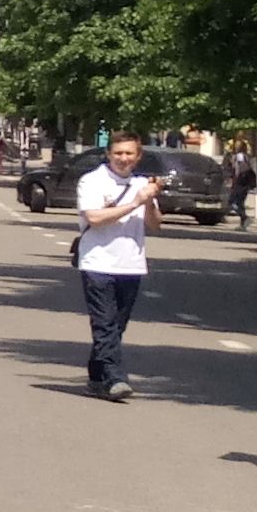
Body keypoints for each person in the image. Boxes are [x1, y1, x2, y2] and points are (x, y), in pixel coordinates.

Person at [76, 133, 163, 399]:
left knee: (116, 327)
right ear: (108, 154)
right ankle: (115, 378)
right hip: (98, 262)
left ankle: (96, 376)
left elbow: (155, 224)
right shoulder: (92, 181)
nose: (123, 158)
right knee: (104, 324)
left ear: (138, 157)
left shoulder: (142, 184)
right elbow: (94, 218)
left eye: (129, 154)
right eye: (118, 153)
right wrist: (134, 202)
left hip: (131, 264)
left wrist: (148, 202)